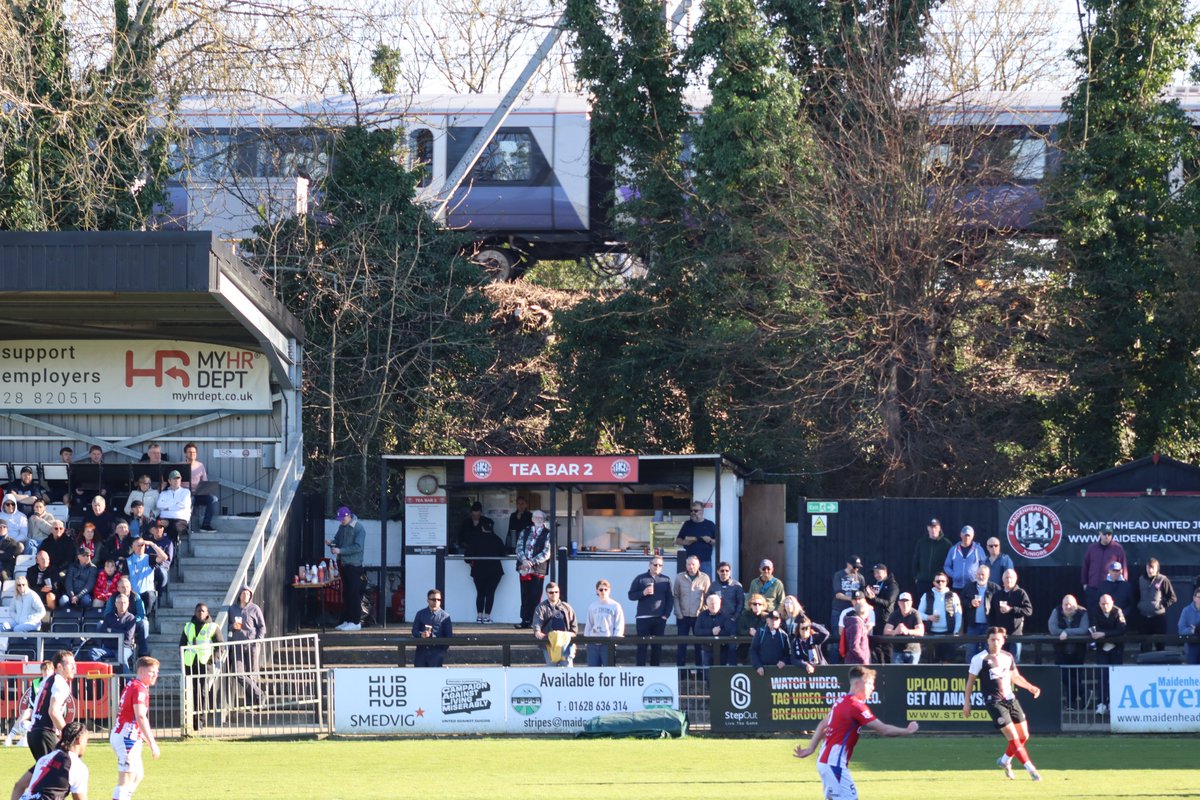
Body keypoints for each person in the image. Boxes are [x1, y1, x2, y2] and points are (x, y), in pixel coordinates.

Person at [794, 666, 919, 800]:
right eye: (870, 683)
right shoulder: (856, 706)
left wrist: (811, 748)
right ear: (858, 683)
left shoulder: (840, 701)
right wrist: (907, 731)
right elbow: (883, 729)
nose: (873, 688)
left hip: (825, 762)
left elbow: (823, 724)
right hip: (834, 764)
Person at [963, 627, 1042, 781]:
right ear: (987, 640)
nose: (995, 642)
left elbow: (1016, 677)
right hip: (995, 702)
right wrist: (967, 703)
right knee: (1013, 737)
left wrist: (1030, 687)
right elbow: (970, 683)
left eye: (998, 639)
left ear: (1004, 640)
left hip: (1011, 699)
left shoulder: (1008, 656)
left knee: (1024, 736)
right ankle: (1031, 770)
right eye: (992, 639)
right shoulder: (979, 659)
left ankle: (1005, 761)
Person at [110, 656, 161, 800]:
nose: (155, 675)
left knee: (138, 774)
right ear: (141, 670)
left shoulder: (133, 684)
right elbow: (140, 716)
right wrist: (152, 743)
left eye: (156, 672)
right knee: (125, 780)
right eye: (152, 672)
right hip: (127, 738)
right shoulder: (139, 689)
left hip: (124, 734)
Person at [11, 720, 89, 800]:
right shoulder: (77, 766)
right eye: (86, 741)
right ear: (80, 740)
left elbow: (19, 785)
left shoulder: (46, 759)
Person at [180, 603, 223, 730]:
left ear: (207, 613)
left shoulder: (213, 627)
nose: (200, 613)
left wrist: (214, 658)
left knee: (203, 692)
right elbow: (181, 644)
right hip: (190, 663)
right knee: (192, 692)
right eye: (198, 611)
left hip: (205, 663)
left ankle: (201, 720)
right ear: (195, 612)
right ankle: (192, 720)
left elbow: (220, 645)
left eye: (203, 611)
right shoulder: (188, 626)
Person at [27, 651, 76, 763]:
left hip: (34, 733)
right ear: (59, 666)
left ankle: (22, 782)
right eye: (71, 664)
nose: (74, 668)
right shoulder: (60, 683)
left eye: (74, 664)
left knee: (43, 771)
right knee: (62, 768)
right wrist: (67, 735)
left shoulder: (47, 680)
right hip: (45, 732)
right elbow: (53, 712)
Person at [461, 505, 505, 624]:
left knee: (480, 593)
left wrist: (471, 563)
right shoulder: (497, 539)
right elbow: (504, 553)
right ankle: (487, 617)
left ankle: (479, 617)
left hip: (478, 571)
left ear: (481, 527)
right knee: (490, 593)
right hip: (494, 571)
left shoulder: (475, 539)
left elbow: (467, 557)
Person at [327, 506, 367, 631]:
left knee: (354, 594)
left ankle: (355, 622)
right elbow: (337, 541)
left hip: (354, 565)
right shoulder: (342, 527)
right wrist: (331, 543)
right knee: (347, 594)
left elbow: (358, 547)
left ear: (349, 516)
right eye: (340, 519)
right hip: (344, 564)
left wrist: (340, 550)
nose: (341, 521)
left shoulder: (359, 528)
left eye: (342, 518)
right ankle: (347, 620)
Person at [627, 555, 671, 666]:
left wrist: (666, 615)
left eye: (660, 565)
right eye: (655, 564)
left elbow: (670, 599)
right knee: (642, 646)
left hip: (659, 618)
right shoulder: (640, 578)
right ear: (649, 565)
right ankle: (641, 671)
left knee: (657, 647)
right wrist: (643, 593)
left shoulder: (666, 580)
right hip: (643, 618)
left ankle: (654, 671)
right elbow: (631, 595)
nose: (657, 567)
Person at [1049, 594, 1090, 708]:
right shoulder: (1056, 612)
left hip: (1078, 651)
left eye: (1070, 604)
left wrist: (1067, 632)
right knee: (1065, 677)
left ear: (1076, 605)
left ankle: (1071, 703)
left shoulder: (1083, 613)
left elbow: (1083, 629)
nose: (1068, 607)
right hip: (1061, 651)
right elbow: (1053, 629)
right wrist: (1064, 632)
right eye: (1065, 604)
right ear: (1062, 605)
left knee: (1076, 677)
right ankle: (1084, 692)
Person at [226, 586, 265, 705]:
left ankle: (252, 704)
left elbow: (262, 627)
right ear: (239, 595)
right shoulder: (232, 609)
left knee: (251, 674)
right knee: (238, 673)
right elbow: (227, 627)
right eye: (244, 594)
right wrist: (232, 627)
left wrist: (258, 641)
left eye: (248, 594)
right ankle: (259, 694)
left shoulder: (255, 608)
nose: (246, 596)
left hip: (252, 644)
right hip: (238, 644)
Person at [513, 510, 551, 629]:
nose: (538, 519)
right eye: (536, 517)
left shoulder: (548, 533)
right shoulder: (525, 531)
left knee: (536, 595)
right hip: (524, 568)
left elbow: (547, 552)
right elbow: (518, 548)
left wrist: (531, 562)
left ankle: (535, 622)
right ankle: (525, 620)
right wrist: (524, 560)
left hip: (538, 569)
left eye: (541, 517)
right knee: (524, 594)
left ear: (544, 519)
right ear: (532, 519)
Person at [1091, 592, 1126, 714]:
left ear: (1112, 603)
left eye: (1107, 603)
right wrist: (1103, 633)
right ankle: (1101, 703)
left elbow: (1121, 629)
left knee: (1115, 677)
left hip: (1116, 649)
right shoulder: (1096, 611)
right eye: (1102, 604)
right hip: (1102, 649)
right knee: (1102, 676)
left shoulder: (1118, 612)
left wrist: (1104, 634)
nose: (1105, 606)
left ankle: (1114, 702)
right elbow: (1094, 629)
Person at [82, 593, 138, 670]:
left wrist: (111, 630)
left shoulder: (131, 618)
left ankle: (128, 680)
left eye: (124, 603)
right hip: (109, 648)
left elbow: (127, 636)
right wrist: (119, 632)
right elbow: (103, 631)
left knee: (121, 655)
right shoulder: (108, 616)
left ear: (128, 604)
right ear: (115, 604)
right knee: (93, 652)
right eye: (120, 603)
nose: (122, 605)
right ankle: (103, 673)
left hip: (124, 648)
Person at [917, 572, 962, 663]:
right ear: (934, 583)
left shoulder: (953, 596)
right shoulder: (926, 595)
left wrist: (956, 631)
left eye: (943, 581)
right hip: (931, 634)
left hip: (949, 634)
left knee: (948, 661)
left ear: (946, 582)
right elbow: (918, 614)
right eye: (938, 581)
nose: (940, 583)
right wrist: (928, 617)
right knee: (932, 662)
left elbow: (958, 614)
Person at [673, 555, 710, 666]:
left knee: (699, 645)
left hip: (699, 617)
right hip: (683, 616)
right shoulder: (680, 577)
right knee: (681, 645)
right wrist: (678, 613)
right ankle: (680, 672)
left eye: (693, 564)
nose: (691, 566)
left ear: (698, 565)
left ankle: (700, 671)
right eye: (688, 564)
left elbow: (708, 596)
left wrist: (703, 612)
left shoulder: (705, 578)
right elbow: (676, 596)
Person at [1081, 528, 1127, 616]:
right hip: (1093, 587)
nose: (1107, 536)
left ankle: (1111, 630)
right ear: (1100, 534)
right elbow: (1085, 566)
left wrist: (1122, 585)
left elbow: (1123, 567)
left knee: (1111, 612)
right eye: (1105, 534)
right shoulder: (1092, 548)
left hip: (1110, 587)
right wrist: (1084, 583)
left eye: (1109, 534)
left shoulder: (1118, 548)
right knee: (1092, 611)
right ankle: (1093, 629)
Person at [1135, 557, 1177, 652]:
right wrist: (1140, 606)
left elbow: (1173, 598)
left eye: (1152, 567)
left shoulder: (1163, 579)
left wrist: (1161, 605)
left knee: (1160, 646)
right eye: (1148, 567)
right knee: (1145, 647)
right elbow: (1135, 596)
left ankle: (1160, 666)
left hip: (1158, 618)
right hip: (1144, 618)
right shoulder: (1140, 579)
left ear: (1157, 568)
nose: (1150, 570)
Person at [532, 582, 577, 667]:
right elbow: (537, 622)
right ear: (546, 593)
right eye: (551, 592)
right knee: (551, 669)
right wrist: (537, 631)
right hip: (549, 643)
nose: (554, 594)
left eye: (556, 592)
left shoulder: (567, 607)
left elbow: (574, 627)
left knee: (567, 669)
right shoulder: (541, 607)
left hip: (565, 643)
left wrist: (570, 634)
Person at [992, 568, 1033, 662]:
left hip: (1015, 635)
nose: (1008, 580)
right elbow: (992, 613)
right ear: (1003, 580)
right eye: (1006, 577)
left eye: (1011, 577)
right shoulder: (997, 594)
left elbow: (1028, 611)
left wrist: (1011, 609)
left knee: (1014, 663)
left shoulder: (1020, 593)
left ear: (1015, 579)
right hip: (1000, 635)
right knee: (1000, 662)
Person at [829, 555, 867, 652]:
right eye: (855, 566)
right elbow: (838, 594)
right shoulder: (839, 575)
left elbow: (863, 595)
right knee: (836, 638)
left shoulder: (860, 577)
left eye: (858, 567)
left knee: (855, 637)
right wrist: (852, 599)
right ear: (848, 564)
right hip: (839, 609)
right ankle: (835, 665)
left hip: (854, 612)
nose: (856, 568)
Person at [584, 580, 625, 667]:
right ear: (597, 591)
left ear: (609, 590)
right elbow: (589, 625)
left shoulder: (615, 606)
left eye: (605, 589)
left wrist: (614, 641)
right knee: (592, 672)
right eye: (601, 589)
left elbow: (619, 625)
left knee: (609, 671)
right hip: (593, 643)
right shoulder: (592, 606)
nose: (603, 592)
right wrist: (587, 641)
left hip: (608, 643)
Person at [961, 563, 999, 654]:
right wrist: (970, 602)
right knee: (971, 651)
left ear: (988, 575)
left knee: (988, 652)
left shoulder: (995, 588)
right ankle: (970, 668)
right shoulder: (968, 587)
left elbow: (998, 606)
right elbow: (961, 601)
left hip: (989, 625)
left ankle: (986, 668)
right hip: (973, 625)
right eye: (978, 574)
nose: (980, 577)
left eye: (983, 574)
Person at [865, 563, 898, 663]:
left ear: (885, 572)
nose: (876, 575)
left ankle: (889, 668)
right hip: (875, 618)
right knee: (876, 645)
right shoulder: (876, 584)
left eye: (878, 573)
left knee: (887, 646)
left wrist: (873, 598)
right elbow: (873, 602)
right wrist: (868, 596)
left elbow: (888, 603)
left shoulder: (892, 585)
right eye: (874, 573)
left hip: (886, 619)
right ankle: (879, 666)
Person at [181, 442, 218, 531]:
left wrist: (205, 490)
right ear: (185, 453)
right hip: (185, 494)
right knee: (191, 500)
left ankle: (205, 525)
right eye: (189, 452)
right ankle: (186, 527)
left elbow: (204, 481)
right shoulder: (180, 465)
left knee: (213, 499)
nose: (192, 454)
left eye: (194, 452)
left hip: (199, 493)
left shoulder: (200, 465)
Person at [411, 589, 452, 667]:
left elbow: (449, 636)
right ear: (428, 600)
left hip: (436, 653)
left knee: (435, 678)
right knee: (419, 676)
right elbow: (414, 630)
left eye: (438, 599)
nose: (436, 601)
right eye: (433, 599)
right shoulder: (420, 614)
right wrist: (421, 634)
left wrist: (442, 652)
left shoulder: (445, 616)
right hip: (421, 652)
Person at [674, 502, 716, 575]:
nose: (693, 513)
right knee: (688, 583)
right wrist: (685, 542)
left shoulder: (710, 524)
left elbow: (718, 541)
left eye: (696, 511)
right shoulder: (687, 524)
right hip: (690, 561)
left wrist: (709, 540)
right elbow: (678, 540)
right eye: (691, 511)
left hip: (705, 561)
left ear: (702, 511)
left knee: (706, 584)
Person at [695, 593, 735, 668]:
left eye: (716, 603)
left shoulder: (726, 615)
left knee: (721, 673)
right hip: (707, 649)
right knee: (707, 674)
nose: (714, 606)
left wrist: (718, 632)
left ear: (720, 603)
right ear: (707, 605)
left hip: (722, 649)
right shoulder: (702, 615)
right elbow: (697, 631)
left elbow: (729, 631)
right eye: (711, 604)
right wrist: (711, 631)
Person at [884, 592, 924, 664]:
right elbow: (886, 631)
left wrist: (907, 631)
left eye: (907, 602)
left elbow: (921, 631)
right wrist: (895, 631)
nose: (905, 604)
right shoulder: (894, 614)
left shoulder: (915, 614)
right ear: (899, 603)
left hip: (913, 651)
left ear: (911, 602)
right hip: (897, 650)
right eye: (902, 602)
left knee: (912, 674)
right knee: (897, 674)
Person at [912, 517, 953, 588]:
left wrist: (946, 578)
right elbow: (916, 560)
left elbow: (952, 562)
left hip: (939, 582)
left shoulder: (946, 543)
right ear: (927, 528)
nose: (933, 530)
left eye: (935, 527)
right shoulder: (921, 542)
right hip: (923, 581)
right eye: (931, 527)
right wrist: (916, 576)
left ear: (939, 528)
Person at [944, 525, 985, 591]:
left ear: (972, 536)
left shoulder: (978, 549)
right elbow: (946, 566)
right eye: (965, 535)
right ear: (961, 535)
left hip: (973, 586)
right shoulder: (953, 549)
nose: (967, 537)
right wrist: (954, 575)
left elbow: (984, 566)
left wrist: (977, 576)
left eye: (969, 535)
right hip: (957, 586)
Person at [154, 471, 191, 544]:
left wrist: (167, 507)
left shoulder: (186, 492)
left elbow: (183, 505)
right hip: (165, 518)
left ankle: (173, 550)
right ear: (169, 481)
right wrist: (175, 503)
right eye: (174, 479)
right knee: (156, 527)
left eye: (178, 478)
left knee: (174, 527)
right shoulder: (163, 493)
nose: (176, 480)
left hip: (180, 520)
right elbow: (159, 505)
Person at [750, 610, 790, 675]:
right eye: (772, 619)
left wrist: (784, 661)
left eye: (776, 619)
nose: (773, 621)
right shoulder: (760, 632)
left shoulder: (783, 635)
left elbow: (787, 654)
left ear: (779, 621)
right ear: (767, 620)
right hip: (762, 672)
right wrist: (758, 666)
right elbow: (753, 651)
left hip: (778, 672)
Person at [737, 594, 769, 664]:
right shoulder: (744, 615)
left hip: (762, 646)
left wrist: (757, 633)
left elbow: (770, 631)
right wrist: (749, 632)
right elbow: (739, 630)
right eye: (754, 604)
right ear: (750, 605)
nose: (757, 606)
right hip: (746, 646)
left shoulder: (767, 617)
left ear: (763, 606)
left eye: (759, 604)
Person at [841, 594, 872, 665]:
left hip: (855, 662)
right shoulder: (857, 624)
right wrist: (864, 659)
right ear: (864, 612)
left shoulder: (855, 622)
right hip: (857, 663)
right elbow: (854, 647)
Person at [1176, 585, 1200, 665]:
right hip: (1191, 648)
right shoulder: (1186, 611)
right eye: (1199, 597)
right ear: (1194, 598)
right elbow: (1181, 630)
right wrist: (1192, 630)